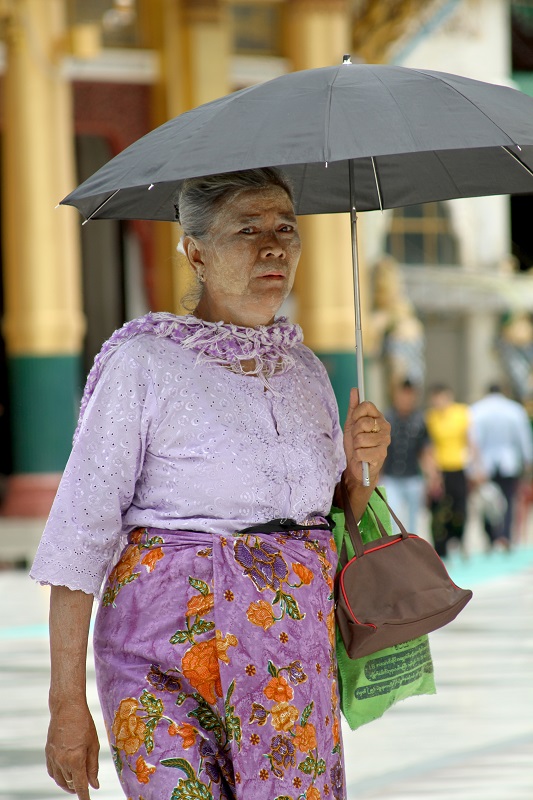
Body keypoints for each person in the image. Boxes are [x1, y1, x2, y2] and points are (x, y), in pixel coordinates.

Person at [30, 168, 390, 800]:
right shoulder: (142, 362)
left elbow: (327, 518)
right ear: (194, 250)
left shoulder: (308, 372)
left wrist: (363, 470)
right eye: (247, 229)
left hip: (288, 656)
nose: (273, 246)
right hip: (161, 658)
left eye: (285, 227)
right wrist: (66, 705)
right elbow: (78, 540)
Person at [470, 384, 533, 548]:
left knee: (488, 500)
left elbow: (473, 439)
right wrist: (528, 459)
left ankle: (491, 536)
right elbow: (523, 436)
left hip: (485, 462)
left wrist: (473, 466)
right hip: (509, 461)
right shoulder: (514, 409)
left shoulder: (477, 410)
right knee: (507, 499)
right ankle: (505, 535)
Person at [381, 380, 440, 534]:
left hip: (414, 477)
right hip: (391, 477)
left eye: (409, 395)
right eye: (403, 395)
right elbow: (381, 451)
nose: (406, 400)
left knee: (415, 520)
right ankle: (395, 550)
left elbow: (426, 450)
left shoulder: (420, 420)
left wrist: (433, 475)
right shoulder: (386, 418)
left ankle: (411, 551)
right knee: (392, 517)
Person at [425, 384, 470, 557]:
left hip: (458, 467)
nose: (439, 402)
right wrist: (432, 473)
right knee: (439, 511)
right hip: (439, 470)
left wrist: (477, 465)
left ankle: (459, 539)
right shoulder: (430, 417)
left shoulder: (461, 413)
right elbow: (428, 447)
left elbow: (470, 439)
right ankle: (440, 549)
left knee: (460, 509)